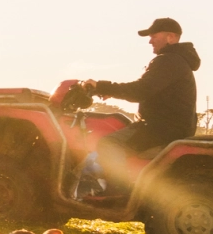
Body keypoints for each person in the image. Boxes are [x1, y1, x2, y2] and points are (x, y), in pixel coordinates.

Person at [84, 17, 201, 191]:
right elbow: (147, 90)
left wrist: (100, 85)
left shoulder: (169, 60)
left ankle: (117, 191)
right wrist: (111, 91)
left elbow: (140, 90)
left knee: (109, 143)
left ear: (171, 37)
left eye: (154, 35)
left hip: (161, 129)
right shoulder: (178, 61)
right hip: (172, 127)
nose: (150, 41)